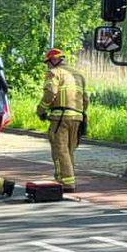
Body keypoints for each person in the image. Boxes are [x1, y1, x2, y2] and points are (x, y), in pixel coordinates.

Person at [38, 47, 86, 192]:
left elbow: (50, 93)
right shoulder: (78, 75)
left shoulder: (53, 73)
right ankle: (69, 179)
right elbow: (85, 98)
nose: (47, 66)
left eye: (47, 62)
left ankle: (65, 183)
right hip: (77, 117)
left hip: (60, 118)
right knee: (69, 150)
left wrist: (41, 110)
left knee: (60, 151)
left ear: (53, 60)